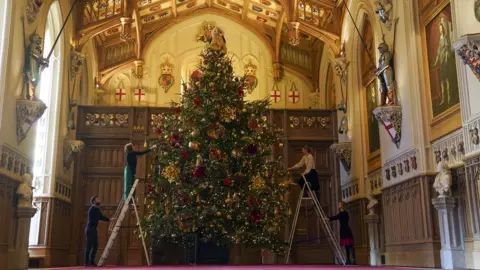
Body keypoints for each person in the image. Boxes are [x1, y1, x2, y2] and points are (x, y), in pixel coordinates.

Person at [85, 196, 114, 267]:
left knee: (95, 246)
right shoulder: (92, 209)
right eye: (98, 199)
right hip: (90, 229)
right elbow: (97, 218)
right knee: (89, 246)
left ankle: (92, 261)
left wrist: (109, 220)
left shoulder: (97, 209)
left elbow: (101, 217)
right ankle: (86, 262)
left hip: (93, 229)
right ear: (94, 201)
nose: (100, 200)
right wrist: (107, 219)